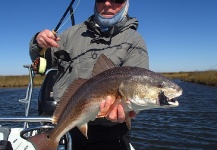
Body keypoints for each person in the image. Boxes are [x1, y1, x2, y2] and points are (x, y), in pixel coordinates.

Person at [29, 0, 149, 149]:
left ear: (126, 3)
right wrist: (38, 43)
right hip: (71, 123)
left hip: (111, 131)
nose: (107, 4)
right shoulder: (70, 34)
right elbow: (42, 61)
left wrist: (129, 110)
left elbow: (137, 85)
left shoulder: (134, 41)